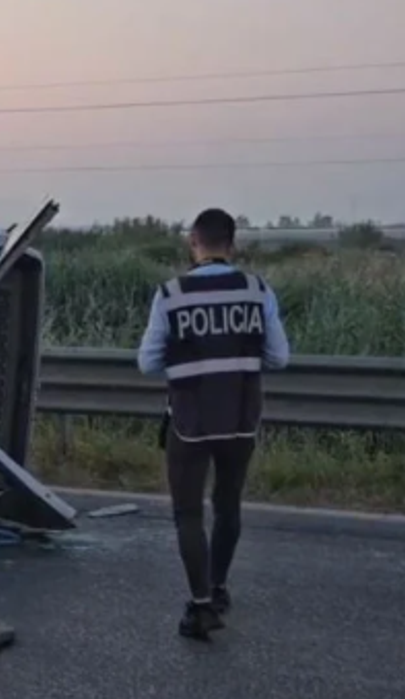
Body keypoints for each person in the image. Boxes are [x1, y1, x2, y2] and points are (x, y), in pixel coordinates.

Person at [135, 207, 290, 641]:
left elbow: (147, 362)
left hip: (191, 420)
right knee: (228, 505)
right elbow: (279, 357)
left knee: (187, 513)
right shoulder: (258, 290)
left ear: (193, 242)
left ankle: (200, 606)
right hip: (241, 416)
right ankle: (219, 587)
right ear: (232, 244)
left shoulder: (171, 294)